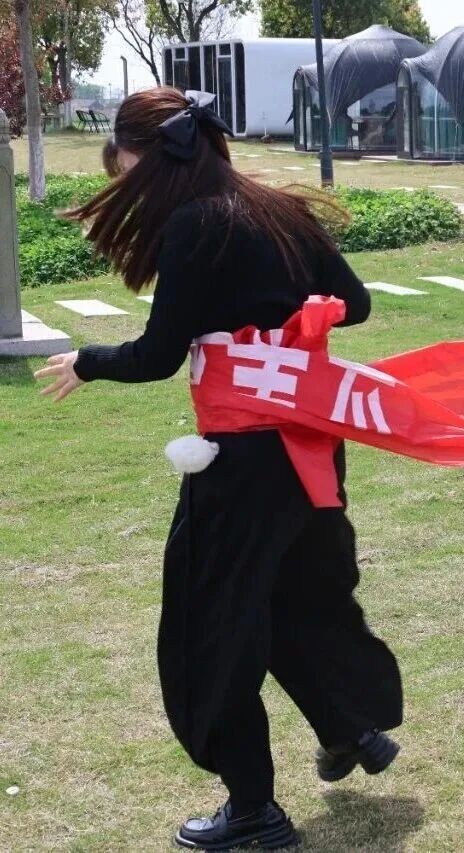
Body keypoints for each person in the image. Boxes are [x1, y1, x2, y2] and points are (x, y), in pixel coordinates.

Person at [35, 88, 403, 849]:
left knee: (211, 627)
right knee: (291, 599)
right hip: (309, 448)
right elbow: (356, 302)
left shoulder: (196, 225)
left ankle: (253, 809)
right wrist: (290, 328)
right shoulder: (278, 210)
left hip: (242, 464)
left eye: (123, 167)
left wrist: (87, 361)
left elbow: (157, 355)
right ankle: (349, 728)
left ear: (150, 158)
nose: (123, 182)